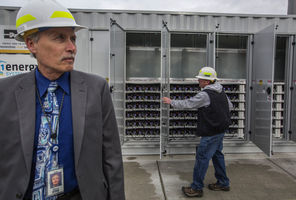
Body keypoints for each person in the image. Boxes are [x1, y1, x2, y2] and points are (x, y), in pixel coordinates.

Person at [0, 0, 125, 200]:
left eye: (73, 39)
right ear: (31, 44)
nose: (72, 47)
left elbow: (111, 157)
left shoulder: (95, 89)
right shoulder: (5, 92)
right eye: (59, 38)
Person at [162, 66, 232, 198]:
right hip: (221, 129)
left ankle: (196, 188)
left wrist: (171, 102)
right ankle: (223, 182)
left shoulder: (205, 94)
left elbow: (188, 104)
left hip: (211, 132)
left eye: (200, 79)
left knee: (202, 158)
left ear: (206, 81)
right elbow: (230, 106)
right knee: (217, 155)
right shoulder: (221, 91)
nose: (198, 81)